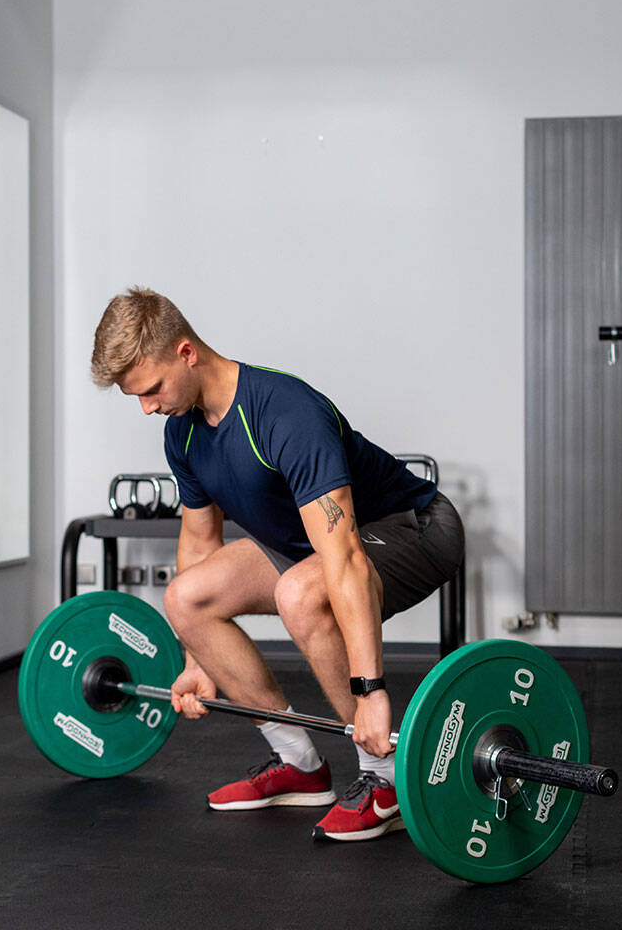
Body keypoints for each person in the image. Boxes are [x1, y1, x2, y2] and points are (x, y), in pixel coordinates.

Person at [91, 288, 464, 841]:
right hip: (315, 549)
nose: (147, 407)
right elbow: (199, 541)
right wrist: (197, 657)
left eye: (151, 389)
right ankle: (299, 764)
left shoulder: (286, 412)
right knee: (186, 598)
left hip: (415, 527)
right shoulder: (183, 433)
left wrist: (371, 692)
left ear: (186, 352)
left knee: (300, 593)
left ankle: (385, 778)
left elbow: (345, 558)